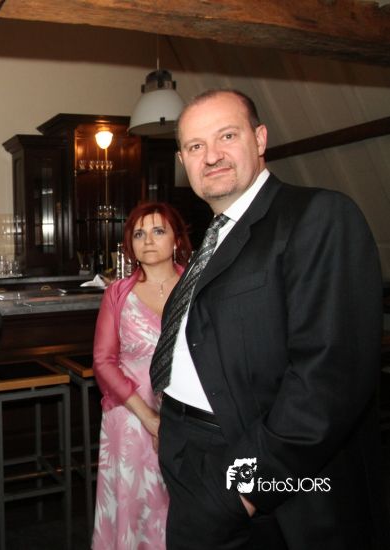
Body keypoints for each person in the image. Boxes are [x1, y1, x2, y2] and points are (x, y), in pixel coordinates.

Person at [150, 88, 387, 549]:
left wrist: (245, 489)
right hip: (187, 451)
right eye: (196, 146)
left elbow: (328, 381)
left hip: (254, 466)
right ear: (183, 160)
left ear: (259, 138)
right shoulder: (214, 237)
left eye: (227, 136)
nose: (211, 156)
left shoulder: (317, 216)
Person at [91, 202, 193, 549]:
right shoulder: (117, 293)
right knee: (134, 510)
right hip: (131, 413)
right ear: (129, 245)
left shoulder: (198, 287)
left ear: (176, 239)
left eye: (158, 231)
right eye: (139, 234)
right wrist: (149, 418)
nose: (148, 240)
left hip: (188, 415)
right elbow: (103, 361)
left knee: (182, 507)